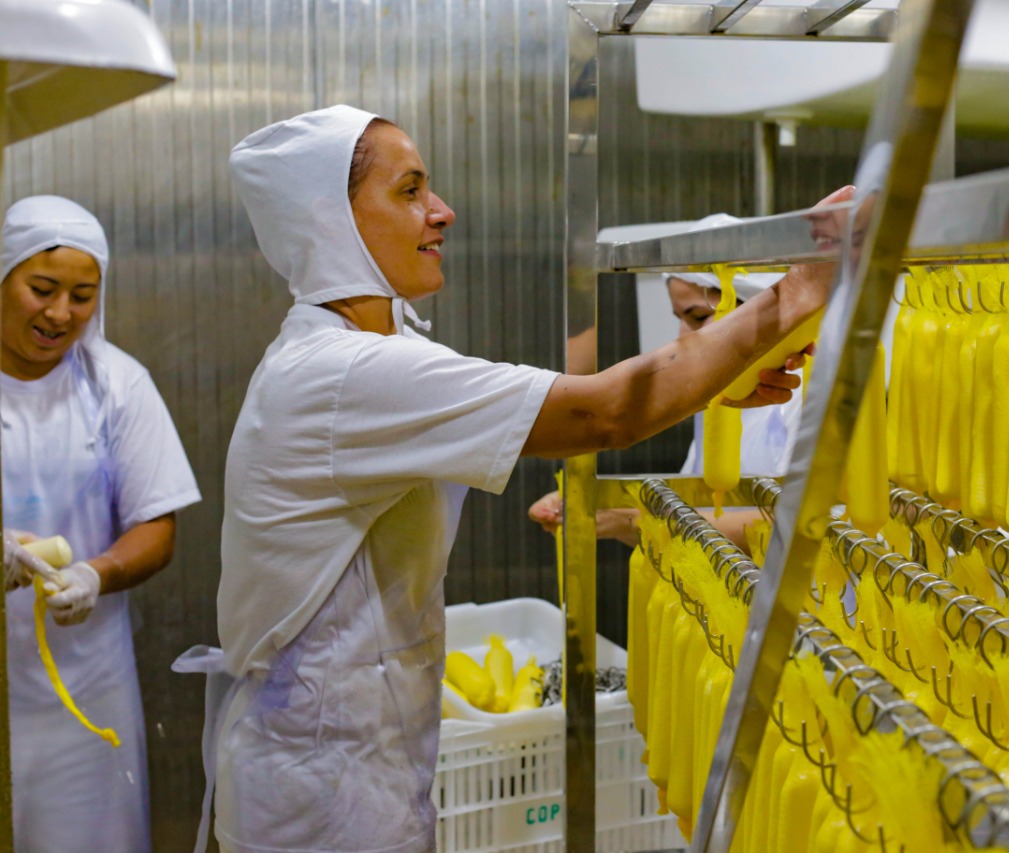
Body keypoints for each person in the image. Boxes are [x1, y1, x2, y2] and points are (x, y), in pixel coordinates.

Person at [200, 104, 846, 853]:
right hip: (320, 791)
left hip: (352, 757)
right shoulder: (345, 373)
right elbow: (599, 414)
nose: (442, 212)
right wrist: (798, 292)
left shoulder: (364, 348)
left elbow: (585, 392)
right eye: (409, 191)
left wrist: (715, 378)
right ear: (329, 221)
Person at [0, 195, 201, 852]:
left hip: (84, 689)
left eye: (82, 295)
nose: (61, 313)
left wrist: (94, 572)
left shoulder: (117, 384)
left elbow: (157, 526)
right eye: (42, 288)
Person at [528, 258, 806, 549]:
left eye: (697, 317)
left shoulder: (804, 395)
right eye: (680, 319)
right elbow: (694, 514)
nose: (681, 337)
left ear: (759, 313)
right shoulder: (721, 401)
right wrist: (606, 512)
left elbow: (810, 533)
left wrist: (633, 519)